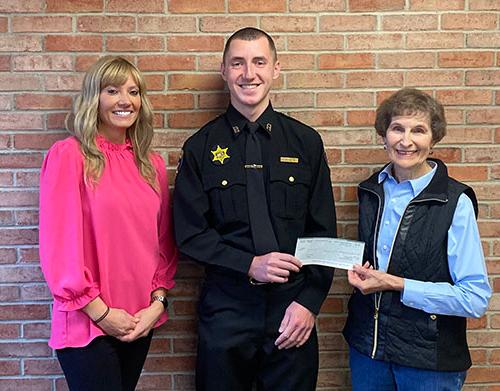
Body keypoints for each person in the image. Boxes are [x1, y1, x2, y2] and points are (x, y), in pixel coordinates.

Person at [173, 27, 336, 390]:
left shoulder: (306, 142)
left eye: (259, 62)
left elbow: (323, 232)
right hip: (227, 308)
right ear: (224, 71)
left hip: (291, 309)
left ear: (276, 69)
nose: (249, 74)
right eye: (238, 63)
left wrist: (309, 303)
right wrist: (249, 264)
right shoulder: (200, 148)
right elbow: (189, 235)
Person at [39, 56, 178, 391]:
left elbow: (163, 243)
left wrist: (156, 304)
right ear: (94, 98)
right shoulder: (69, 156)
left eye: (133, 91)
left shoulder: (151, 164)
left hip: (138, 320)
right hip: (88, 321)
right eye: (112, 90)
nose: (124, 100)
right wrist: (102, 313)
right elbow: (60, 248)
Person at [343, 88, 491, 390]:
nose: (406, 140)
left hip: (428, 363)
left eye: (419, 130)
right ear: (384, 135)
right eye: (397, 128)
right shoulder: (371, 191)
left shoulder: (454, 201)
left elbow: (475, 298)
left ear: (433, 139)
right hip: (369, 352)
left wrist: (395, 283)